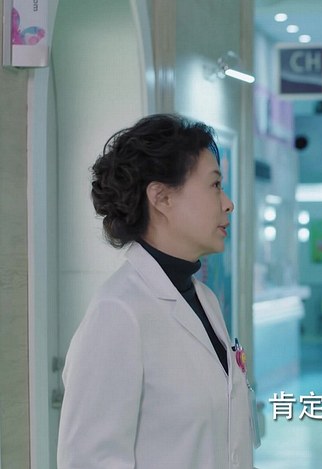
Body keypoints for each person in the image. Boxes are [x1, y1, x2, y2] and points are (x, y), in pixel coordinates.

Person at [57, 114, 255, 468]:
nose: (228, 203)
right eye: (214, 185)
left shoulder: (203, 299)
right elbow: (89, 460)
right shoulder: (118, 313)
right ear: (161, 198)